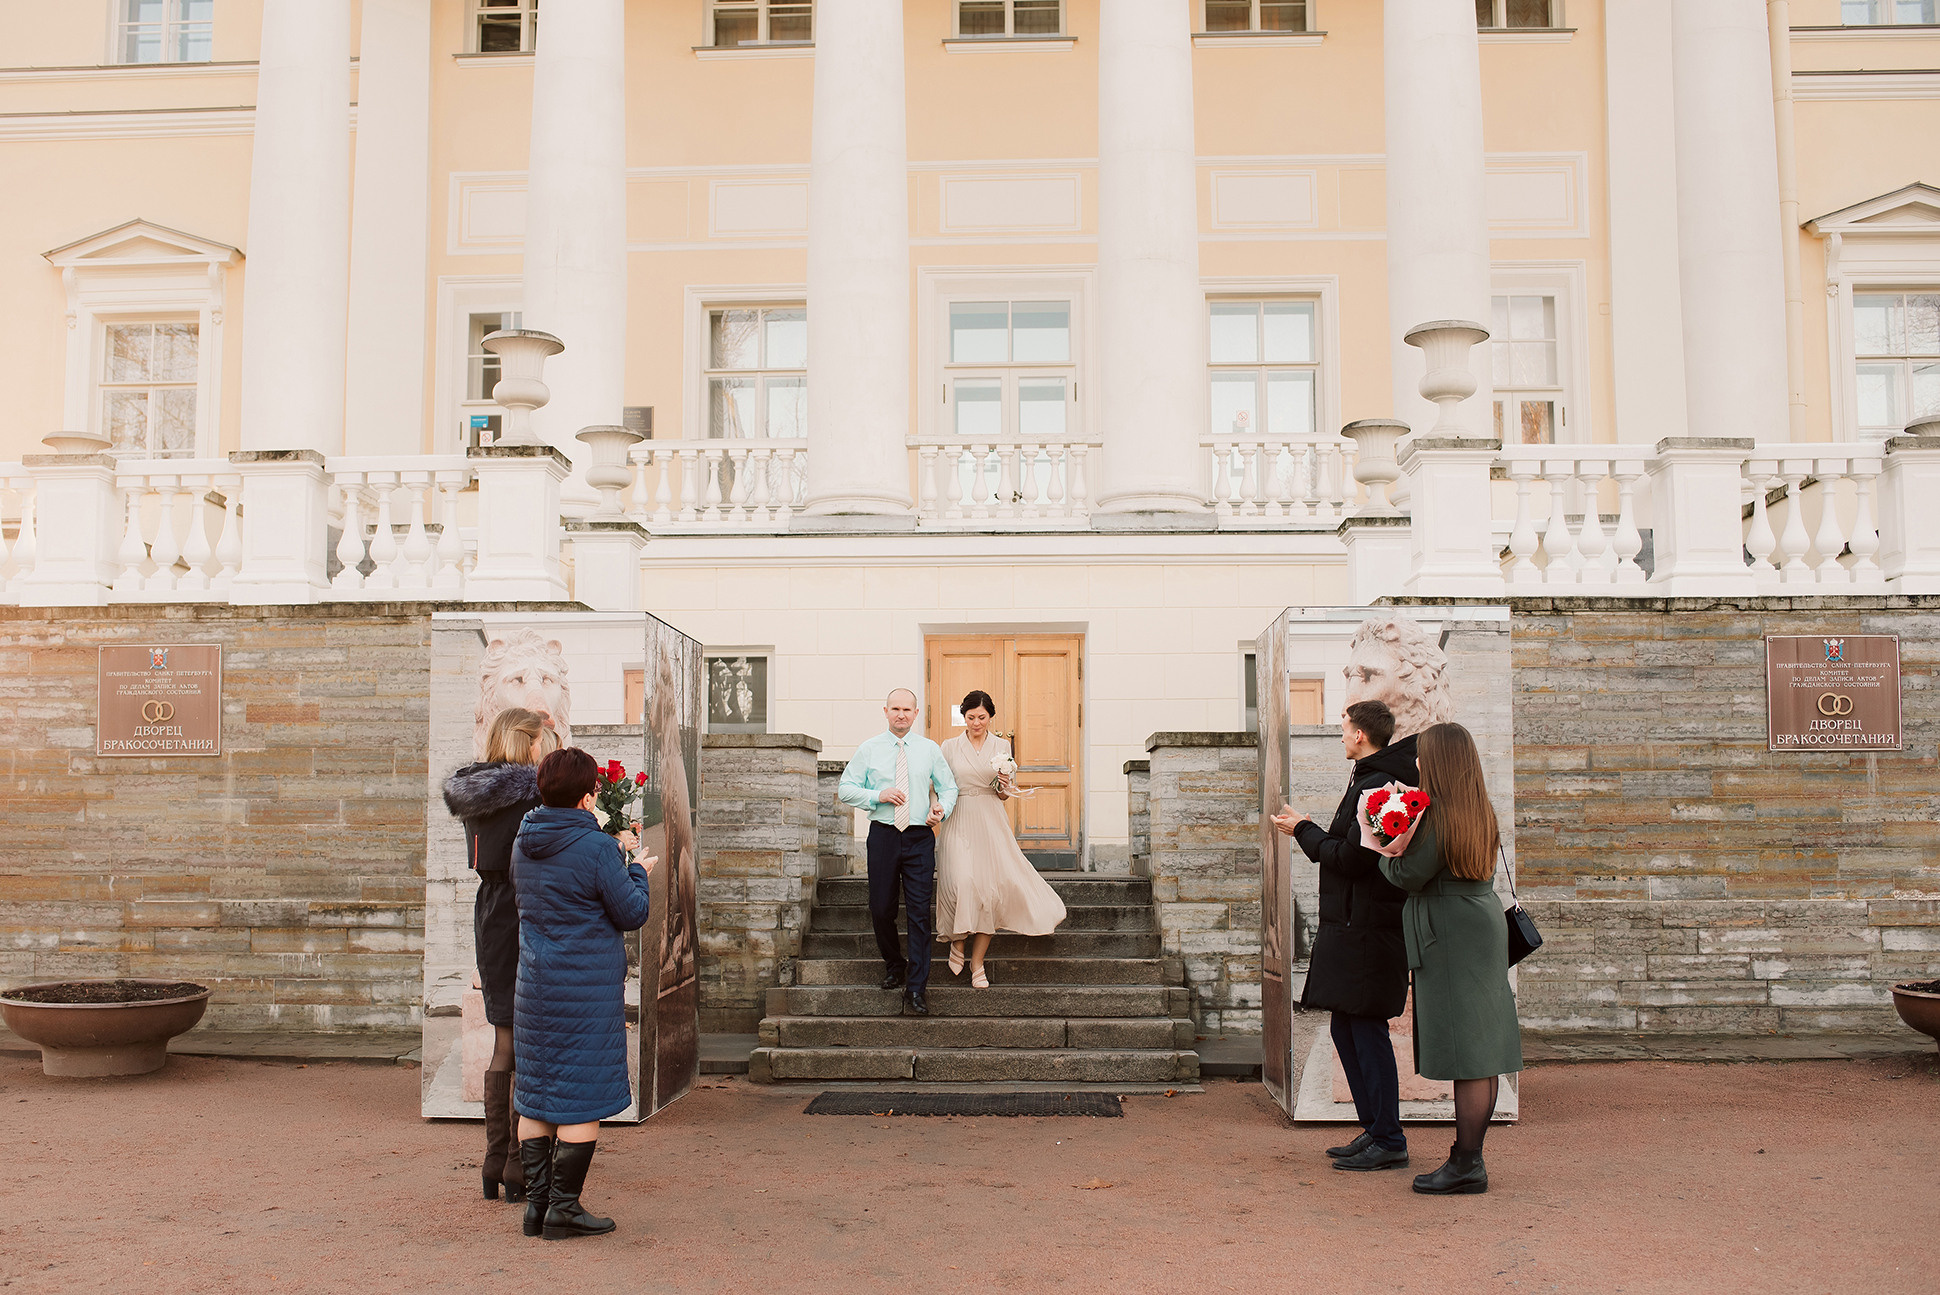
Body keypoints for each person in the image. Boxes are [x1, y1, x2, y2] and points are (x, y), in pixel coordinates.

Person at [512, 747, 658, 1240]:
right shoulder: (595, 847)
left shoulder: (522, 841)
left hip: (534, 986)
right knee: (580, 1100)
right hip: (585, 988)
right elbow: (631, 912)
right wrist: (637, 868)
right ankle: (564, 1210)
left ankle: (536, 1209)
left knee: (535, 1097)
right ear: (587, 794)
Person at [1377, 721, 1523, 1196]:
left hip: (1452, 931)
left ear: (1438, 762)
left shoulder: (1437, 815)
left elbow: (1407, 875)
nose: (1416, 763)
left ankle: (1467, 1164)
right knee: (1482, 1047)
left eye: (1422, 756)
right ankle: (1468, 1158)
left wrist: (1381, 842)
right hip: (1477, 922)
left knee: (1469, 1050)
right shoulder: (1478, 808)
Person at [1270, 699, 1416, 1173]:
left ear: (1359, 735)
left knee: (1366, 1030)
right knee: (1346, 1027)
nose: (1339, 735)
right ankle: (1377, 1129)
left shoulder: (1377, 784)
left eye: (1343, 728)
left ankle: (1389, 1137)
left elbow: (1355, 860)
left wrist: (1302, 828)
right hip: (1354, 927)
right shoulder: (1370, 780)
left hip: (1368, 932)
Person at [441, 707, 560, 1203]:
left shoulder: (475, 794)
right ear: (527, 744)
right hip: (526, 914)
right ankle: (518, 1163)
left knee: (504, 1038)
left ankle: (495, 1160)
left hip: (489, 914)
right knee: (532, 1042)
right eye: (544, 742)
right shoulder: (533, 795)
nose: (549, 750)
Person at [933, 690, 1067, 988]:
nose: (976, 723)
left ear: (990, 717)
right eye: (970, 717)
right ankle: (957, 940)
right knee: (962, 881)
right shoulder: (949, 747)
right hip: (959, 817)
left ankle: (977, 962)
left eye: (982, 717)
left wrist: (1004, 784)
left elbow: (1004, 794)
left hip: (990, 819)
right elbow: (939, 784)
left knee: (991, 891)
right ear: (963, 717)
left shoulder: (1001, 745)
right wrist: (936, 808)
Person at [837, 688, 958, 1016]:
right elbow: (845, 788)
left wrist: (941, 810)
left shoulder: (929, 749)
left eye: (907, 709)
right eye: (895, 709)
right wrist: (878, 795)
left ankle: (916, 989)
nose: (901, 714)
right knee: (880, 908)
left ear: (916, 714)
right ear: (886, 711)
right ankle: (894, 964)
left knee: (919, 914)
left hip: (919, 837)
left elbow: (949, 787)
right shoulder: (870, 749)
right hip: (884, 837)